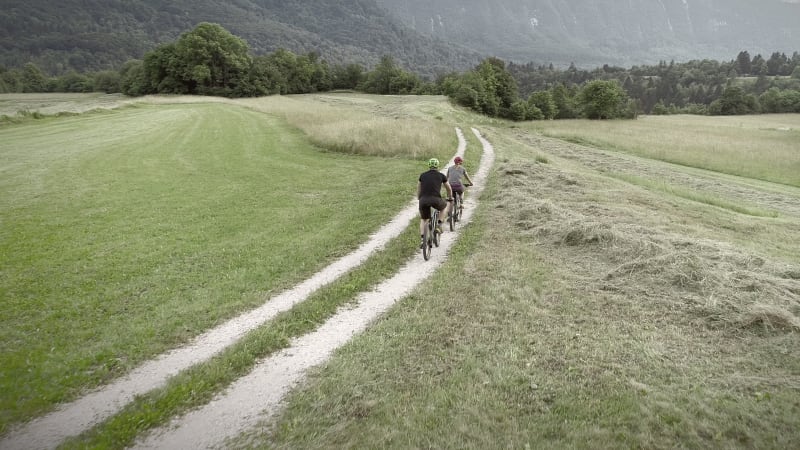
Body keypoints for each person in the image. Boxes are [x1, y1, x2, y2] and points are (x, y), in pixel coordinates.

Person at [418, 158, 453, 249]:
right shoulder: (441, 175)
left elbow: (419, 189)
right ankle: (439, 225)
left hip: (423, 200)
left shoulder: (422, 175)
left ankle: (422, 239)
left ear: (429, 166)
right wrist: (450, 197)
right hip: (436, 199)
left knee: (424, 219)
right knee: (444, 207)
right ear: (437, 166)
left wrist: (419, 198)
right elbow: (448, 188)